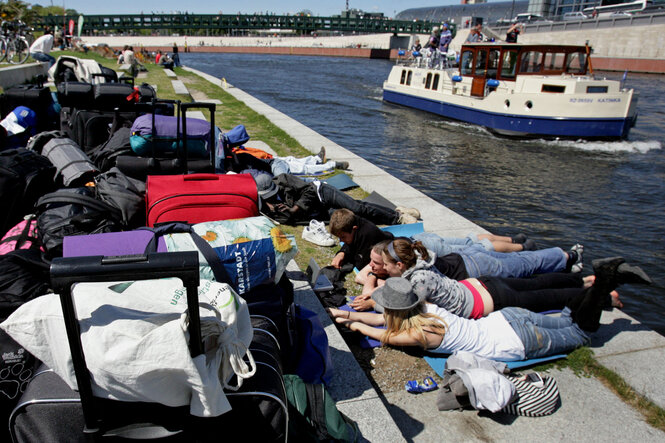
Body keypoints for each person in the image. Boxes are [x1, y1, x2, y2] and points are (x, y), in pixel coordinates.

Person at [329, 257, 651, 360]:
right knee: (567, 315)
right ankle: (602, 282)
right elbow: (382, 317)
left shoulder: (418, 335)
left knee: (581, 332)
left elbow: (379, 331)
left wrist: (354, 324)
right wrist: (345, 314)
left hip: (516, 342)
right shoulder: (424, 309)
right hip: (505, 319)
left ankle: (605, 280)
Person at [351, 239, 595, 314]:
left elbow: (399, 308)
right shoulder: (417, 257)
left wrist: (373, 298)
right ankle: (573, 269)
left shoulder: (417, 281)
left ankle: (572, 263)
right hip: (471, 272)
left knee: (529, 273)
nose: (377, 266)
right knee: (531, 277)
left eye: (382, 263)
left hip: (474, 272)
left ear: (399, 265)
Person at [255, 173, 421, 226]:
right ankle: (397, 211)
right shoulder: (266, 207)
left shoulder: (284, 179)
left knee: (357, 208)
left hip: (322, 193)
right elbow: (287, 220)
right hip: (318, 210)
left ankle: (398, 218)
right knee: (352, 215)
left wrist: (295, 208)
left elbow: (308, 190)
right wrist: (272, 208)